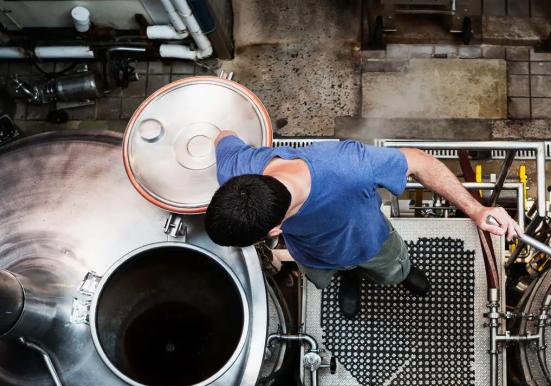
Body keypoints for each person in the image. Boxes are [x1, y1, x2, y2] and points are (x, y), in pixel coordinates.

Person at [205, 132, 521, 318]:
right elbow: (221, 135)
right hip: (313, 255)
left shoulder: (347, 167)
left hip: (372, 242)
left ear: (274, 232)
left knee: (392, 268)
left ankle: (402, 273)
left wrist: (476, 209)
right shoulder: (235, 169)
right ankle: (350, 278)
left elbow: (421, 162)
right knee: (335, 271)